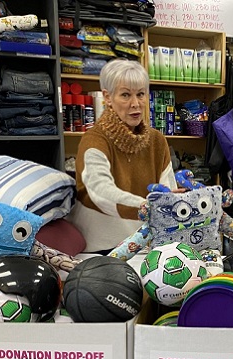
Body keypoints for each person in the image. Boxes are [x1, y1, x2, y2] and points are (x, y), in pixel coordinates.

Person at [69, 58, 177, 253]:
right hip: (101, 247)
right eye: (126, 95)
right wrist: (148, 206)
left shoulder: (157, 141)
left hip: (145, 244)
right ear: (107, 97)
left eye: (141, 94)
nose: (135, 104)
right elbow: (100, 192)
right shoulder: (94, 140)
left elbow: (167, 190)